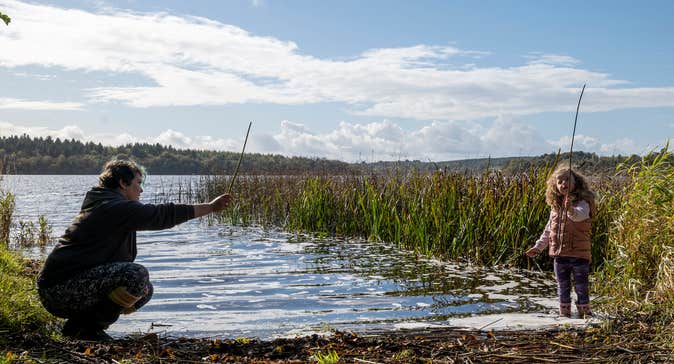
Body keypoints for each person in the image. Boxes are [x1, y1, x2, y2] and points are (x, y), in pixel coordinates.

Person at [37, 159, 232, 341]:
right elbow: (161, 215)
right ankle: (87, 329)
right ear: (123, 183)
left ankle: (80, 325)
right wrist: (211, 207)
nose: (141, 189)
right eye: (138, 183)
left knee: (145, 290)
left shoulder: (107, 204)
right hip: (58, 291)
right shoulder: (113, 208)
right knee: (136, 276)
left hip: (66, 288)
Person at [525, 165, 596, 318]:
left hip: (579, 255)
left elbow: (579, 216)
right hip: (560, 255)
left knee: (581, 286)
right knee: (562, 286)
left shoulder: (583, 203)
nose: (563, 183)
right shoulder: (555, 208)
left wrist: (570, 208)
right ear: (555, 186)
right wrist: (538, 247)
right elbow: (548, 231)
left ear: (575, 183)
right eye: (559, 181)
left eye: (567, 180)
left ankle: (585, 314)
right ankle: (565, 314)